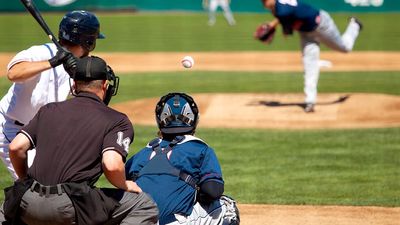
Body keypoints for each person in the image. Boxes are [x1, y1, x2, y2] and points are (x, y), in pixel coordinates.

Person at [0, 56, 159, 225]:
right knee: (143, 205)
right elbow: (112, 165)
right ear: (105, 85)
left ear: (74, 85)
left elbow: (16, 147)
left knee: (5, 211)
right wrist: (125, 185)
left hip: (27, 201)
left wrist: (25, 180)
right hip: (70, 205)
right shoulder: (116, 120)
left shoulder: (48, 110)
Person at [0, 10, 105, 180]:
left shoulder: (77, 64)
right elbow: (13, 73)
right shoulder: (40, 52)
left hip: (43, 131)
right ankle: (13, 205)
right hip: (12, 128)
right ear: (88, 41)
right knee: (34, 184)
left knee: (61, 178)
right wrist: (53, 62)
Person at [125, 92, 240, 225]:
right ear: (194, 120)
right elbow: (213, 191)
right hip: (173, 221)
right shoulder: (200, 149)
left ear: (160, 121)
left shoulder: (141, 154)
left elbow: (125, 191)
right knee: (227, 207)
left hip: (136, 221)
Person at [260, 0, 363, 112]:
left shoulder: (282, 11)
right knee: (309, 66)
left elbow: (287, 30)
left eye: (265, 0)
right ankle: (310, 101)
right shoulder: (278, 7)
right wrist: (272, 25)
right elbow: (283, 16)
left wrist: (273, 29)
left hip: (322, 25)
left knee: (345, 47)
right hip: (306, 33)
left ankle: (355, 25)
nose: (263, 2)